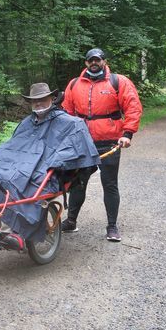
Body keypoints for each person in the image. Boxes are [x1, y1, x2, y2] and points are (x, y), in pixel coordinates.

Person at [0, 83, 100, 250]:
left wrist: (57, 160)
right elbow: (13, 147)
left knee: (19, 183)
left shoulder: (70, 123)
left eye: (42, 99)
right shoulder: (27, 123)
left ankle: (14, 233)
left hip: (47, 171)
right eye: (34, 101)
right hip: (20, 167)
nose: (38, 103)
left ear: (52, 99)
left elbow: (76, 146)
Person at [61, 48, 143, 241]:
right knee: (77, 183)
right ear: (86, 63)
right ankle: (71, 221)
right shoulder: (74, 84)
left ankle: (112, 226)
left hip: (110, 142)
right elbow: (66, 113)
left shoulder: (118, 81)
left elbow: (133, 106)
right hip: (83, 143)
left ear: (104, 61)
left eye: (97, 60)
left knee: (110, 184)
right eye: (90, 60)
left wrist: (128, 133)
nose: (94, 63)